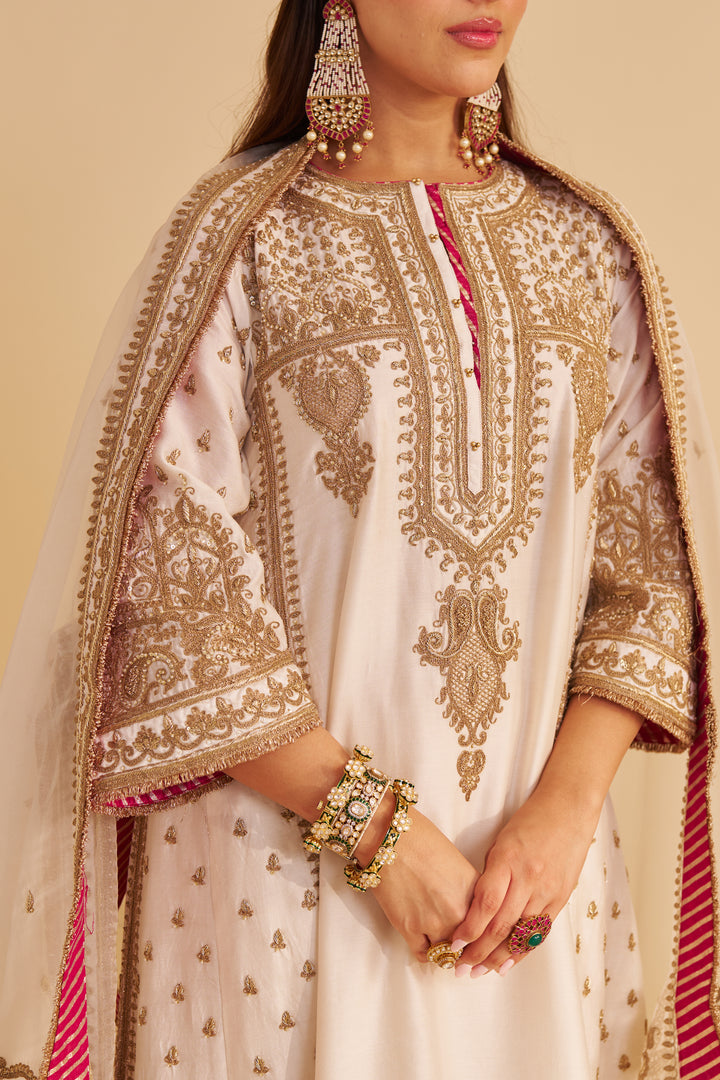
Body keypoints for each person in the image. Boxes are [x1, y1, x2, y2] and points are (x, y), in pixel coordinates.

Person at [1, 1, 719, 1077]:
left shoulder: (591, 248)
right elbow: (169, 586)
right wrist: (377, 835)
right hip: (284, 897)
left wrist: (565, 814)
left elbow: (648, 563)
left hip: (534, 894)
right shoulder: (242, 243)